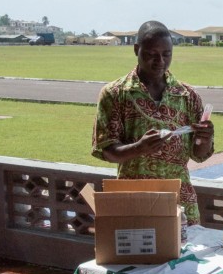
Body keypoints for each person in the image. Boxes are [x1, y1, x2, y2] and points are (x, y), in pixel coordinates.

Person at [92, 20, 214, 225]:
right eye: (151, 55)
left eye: (167, 55)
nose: (160, 61)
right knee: (139, 255)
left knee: (185, 256)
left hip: (180, 203)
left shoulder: (187, 95)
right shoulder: (115, 94)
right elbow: (107, 151)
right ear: (136, 50)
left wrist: (205, 139)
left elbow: (199, 155)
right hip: (134, 201)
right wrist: (139, 148)